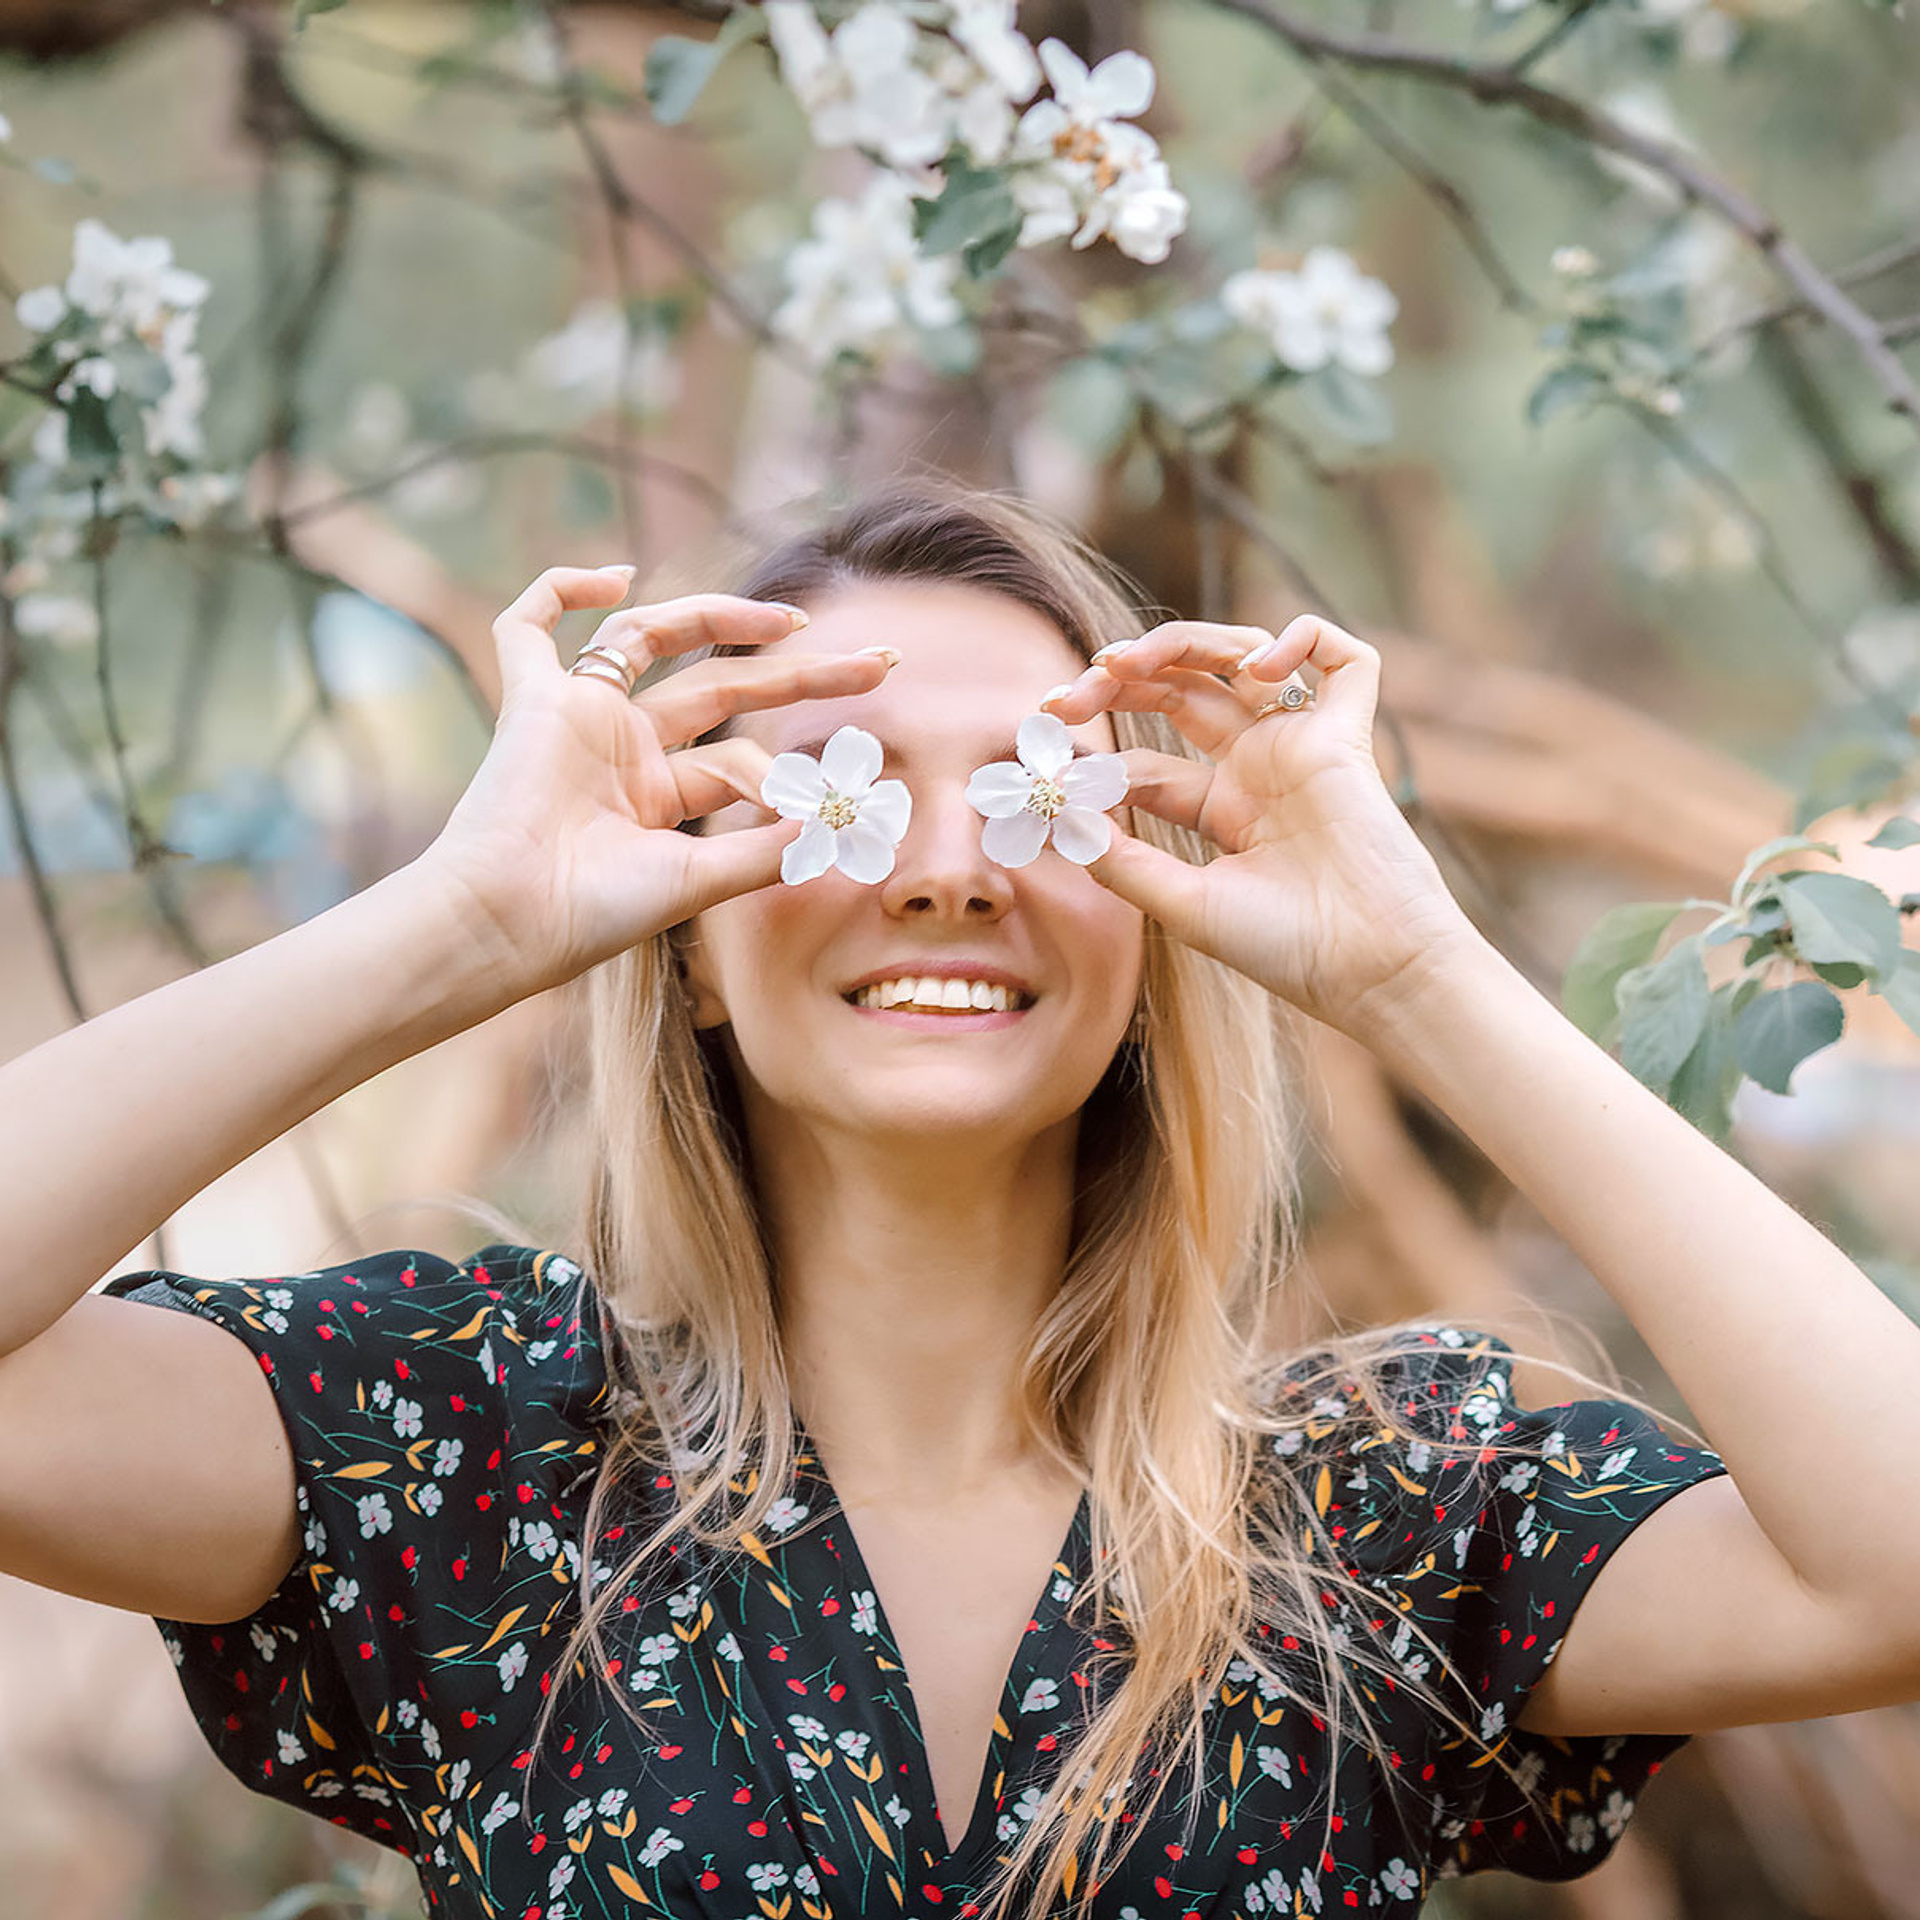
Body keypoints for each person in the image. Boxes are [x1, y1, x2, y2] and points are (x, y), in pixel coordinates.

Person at [2, 481, 1914, 1920]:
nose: (940, 868)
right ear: (682, 927)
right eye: (843, 786)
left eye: (1032, 795)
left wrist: (1413, 974)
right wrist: (468, 919)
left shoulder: (1386, 1515)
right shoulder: (474, 1451)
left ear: (1157, 920)